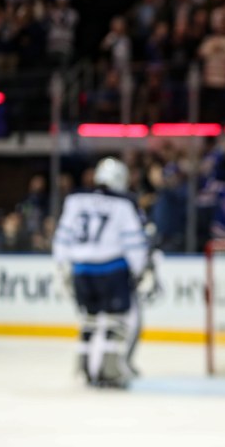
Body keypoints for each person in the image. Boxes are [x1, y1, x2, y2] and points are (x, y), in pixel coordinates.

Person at [53, 157, 154, 388]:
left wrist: (62, 266)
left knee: (89, 321)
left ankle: (85, 367)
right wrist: (137, 271)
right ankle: (109, 371)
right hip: (112, 270)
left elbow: (62, 237)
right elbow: (135, 243)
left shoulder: (75, 200)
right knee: (115, 323)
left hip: (81, 270)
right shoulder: (124, 204)